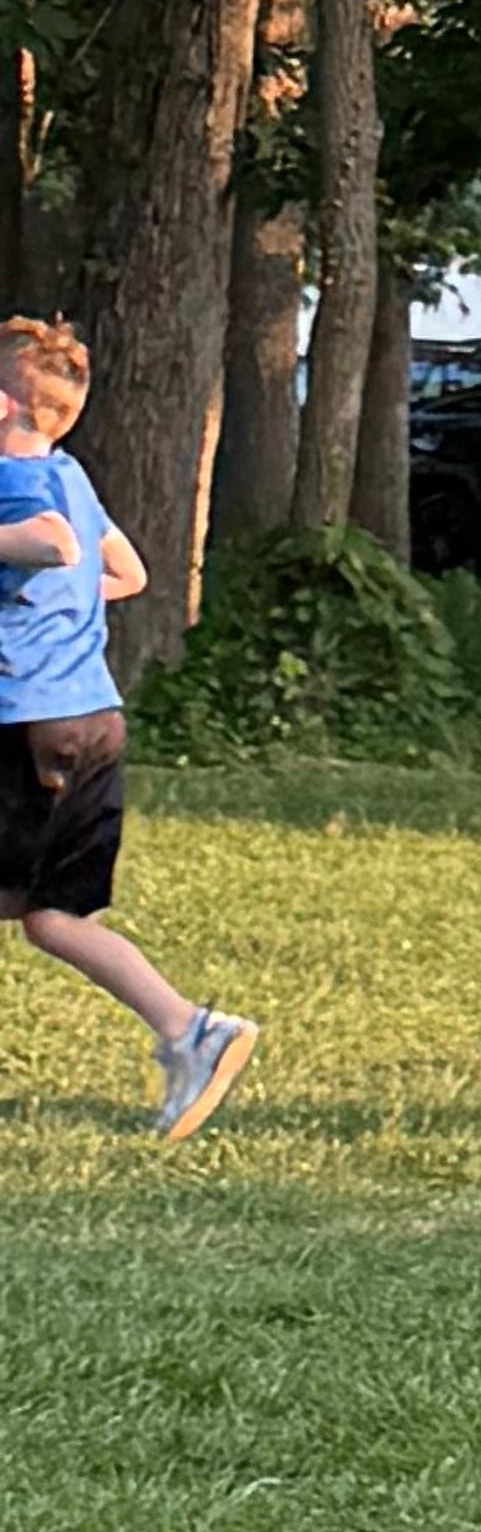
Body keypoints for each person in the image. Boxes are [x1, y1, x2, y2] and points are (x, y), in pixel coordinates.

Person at [0, 313, 253, 1142]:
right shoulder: (70, 470)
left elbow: (52, 543)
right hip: (90, 718)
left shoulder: (18, 476)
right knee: (49, 916)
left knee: (45, 912)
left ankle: (194, 1031)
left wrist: (38, 566)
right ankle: (190, 1030)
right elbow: (128, 570)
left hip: (29, 723)